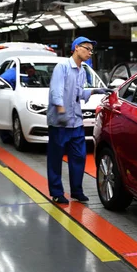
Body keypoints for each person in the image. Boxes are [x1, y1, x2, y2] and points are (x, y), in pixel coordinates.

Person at [47, 36, 110, 204]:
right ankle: (56, 192)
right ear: (76, 48)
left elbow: (79, 94)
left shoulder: (82, 70)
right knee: (55, 158)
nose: (90, 52)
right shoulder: (62, 67)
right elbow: (56, 91)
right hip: (60, 122)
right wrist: (61, 110)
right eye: (87, 49)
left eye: (91, 50)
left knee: (79, 157)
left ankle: (76, 190)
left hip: (75, 122)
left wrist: (97, 91)